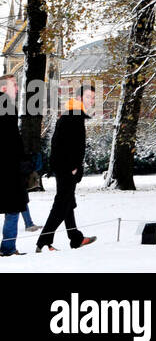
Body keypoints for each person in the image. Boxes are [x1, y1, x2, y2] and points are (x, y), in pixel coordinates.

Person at [36, 85, 97, 253]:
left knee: (67, 203)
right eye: (88, 97)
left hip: (65, 167)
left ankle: (76, 238)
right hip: (67, 168)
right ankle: (43, 242)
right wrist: (72, 167)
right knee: (62, 205)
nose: (91, 100)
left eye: (93, 97)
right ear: (78, 98)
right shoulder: (72, 116)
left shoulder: (73, 115)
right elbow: (64, 145)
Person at [1, 75, 28, 256]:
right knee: (13, 208)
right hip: (8, 166)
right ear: (4, 88)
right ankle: (8, 247)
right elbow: (11, 138)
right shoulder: (7, 105)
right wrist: (22, 158)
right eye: (14, 85)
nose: (17, 88)